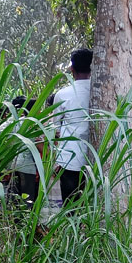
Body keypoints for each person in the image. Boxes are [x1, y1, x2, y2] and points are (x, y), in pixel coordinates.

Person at [52, 49, 92, 205]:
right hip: (96, 158)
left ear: (72, 69)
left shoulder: (63, 94)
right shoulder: (101, 92)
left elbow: (55, 129)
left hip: (69, 159)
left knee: (70, 207)